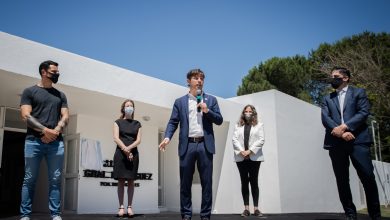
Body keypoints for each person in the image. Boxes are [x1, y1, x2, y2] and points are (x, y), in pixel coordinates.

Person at [159, 69, 223, 220]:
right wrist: (167, 137)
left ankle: (205, 216)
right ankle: (186, 215)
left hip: (204, 145)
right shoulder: (179, 102)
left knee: (207, 184)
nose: (199, 80)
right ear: (188, 81)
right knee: (185, 184)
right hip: (187, 146)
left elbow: (219, 120)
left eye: (201, 78)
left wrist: (207, 111)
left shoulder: (211, 100)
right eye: (196, 78)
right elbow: (173, 122)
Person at [321, 67, 381, 220]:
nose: (332, 79)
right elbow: (325, 117)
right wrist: (340, 132)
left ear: (345, 78)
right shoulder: (328, 98)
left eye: (336, 76)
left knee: (367, 177)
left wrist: (345, 127)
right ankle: (350, 214)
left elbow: (363, 112)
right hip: (336, 143)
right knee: (342, 180)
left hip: (358, 141)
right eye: (332, 76)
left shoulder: (359, 93)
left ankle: (375, 215)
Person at [19, 60, 69, 220]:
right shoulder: (29, 91)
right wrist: (45, 131)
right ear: (43, 72)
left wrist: (56, 130)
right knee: (29, 179)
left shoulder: (60, 95)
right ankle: (25, 215)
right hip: (33, 141)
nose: (57, 74)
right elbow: (26, 116)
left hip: (56, 143)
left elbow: (65, 116)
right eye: (54, 71)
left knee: (55, 180)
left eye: (57, 71)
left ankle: (55, 215)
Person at [232, 105, 265, 217]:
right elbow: (234, 139)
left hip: (254, 157)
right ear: (243, 113)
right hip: (241, 157)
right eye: (246, 111)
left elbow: (261, 140)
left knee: (254, 181)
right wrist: (242, 151)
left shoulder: (259, 125)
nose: (248, 113)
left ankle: (256, 209)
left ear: (253, 113)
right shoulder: (238, 125)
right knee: (244, 181)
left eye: (250, 111)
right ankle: (246, 209)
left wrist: (250, 151)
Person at [113, 99, 142, 217]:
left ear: (133, 109)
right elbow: (116, 138)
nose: (129, 107)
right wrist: (125, 150)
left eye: (131, 106)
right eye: (127, 106)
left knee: (131, 181)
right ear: (123, 109)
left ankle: (129, 207)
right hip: (120, 154)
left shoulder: (138, 124)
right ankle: (121, 207)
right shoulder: (117, 122)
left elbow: (138, 140)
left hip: (133, 154)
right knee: (120, 181)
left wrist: (129, 149)